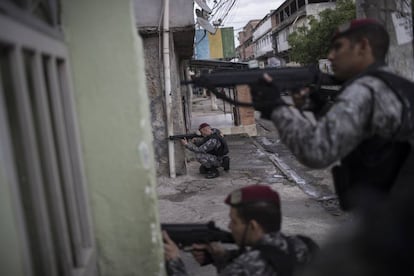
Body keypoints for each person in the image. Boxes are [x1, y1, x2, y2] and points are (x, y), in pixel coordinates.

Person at [250, 18, 414, 212]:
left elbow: (317, 150)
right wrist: (320, 107)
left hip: (391, 221)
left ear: (362, 46)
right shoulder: (399, 85)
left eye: (337, 48)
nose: (330, 56)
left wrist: (277, 107)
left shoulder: (364, 90)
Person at [163, 185, 319, 276]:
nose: (230, 226)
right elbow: (272, 256)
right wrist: (222, 256)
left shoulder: (244, 267)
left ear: (253, 226)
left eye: (234, 221)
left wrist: (175, 262)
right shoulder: (304, 245)